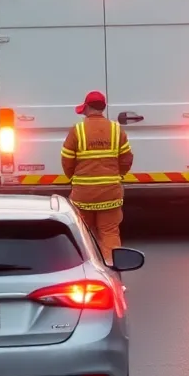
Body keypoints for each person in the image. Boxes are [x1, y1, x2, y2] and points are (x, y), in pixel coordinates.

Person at [60, 90, 133, 263]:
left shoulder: (77, 130)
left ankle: (88, 269)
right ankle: (112, 268)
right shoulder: (116, 129)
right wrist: (118, 175)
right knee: (109, 232)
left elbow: (67, 161)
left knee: (84, 235)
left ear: (86, 108)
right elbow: (127, 159)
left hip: (83, 195)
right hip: (110, 194)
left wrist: (73, 178)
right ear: (103, 108)